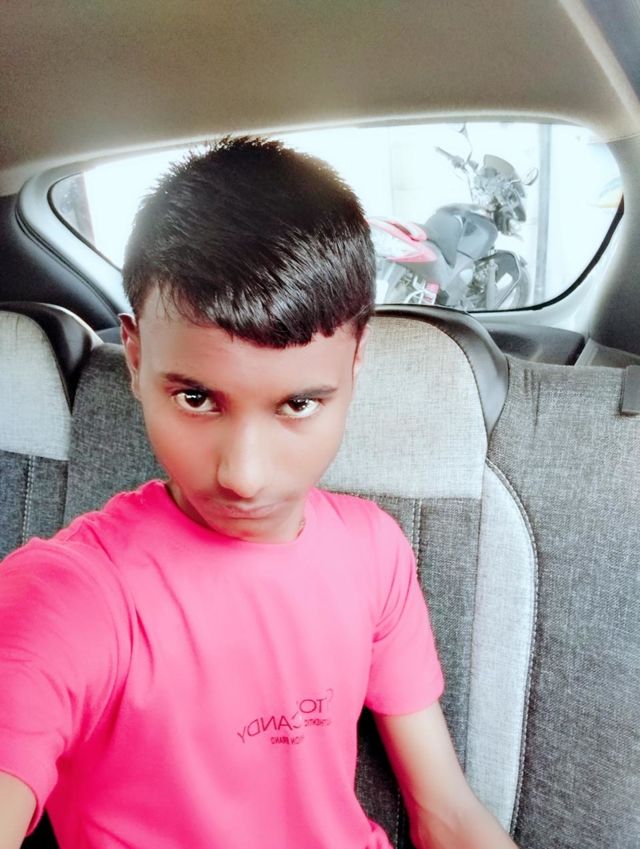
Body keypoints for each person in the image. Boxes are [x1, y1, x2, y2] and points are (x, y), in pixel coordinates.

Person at [0, 136, 517, 849]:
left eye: (298, 404)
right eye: (196, 398)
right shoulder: (72, 592)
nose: (243, 476)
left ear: (356, 363)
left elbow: (448, 813)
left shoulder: (376, 552)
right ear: (136, 355)